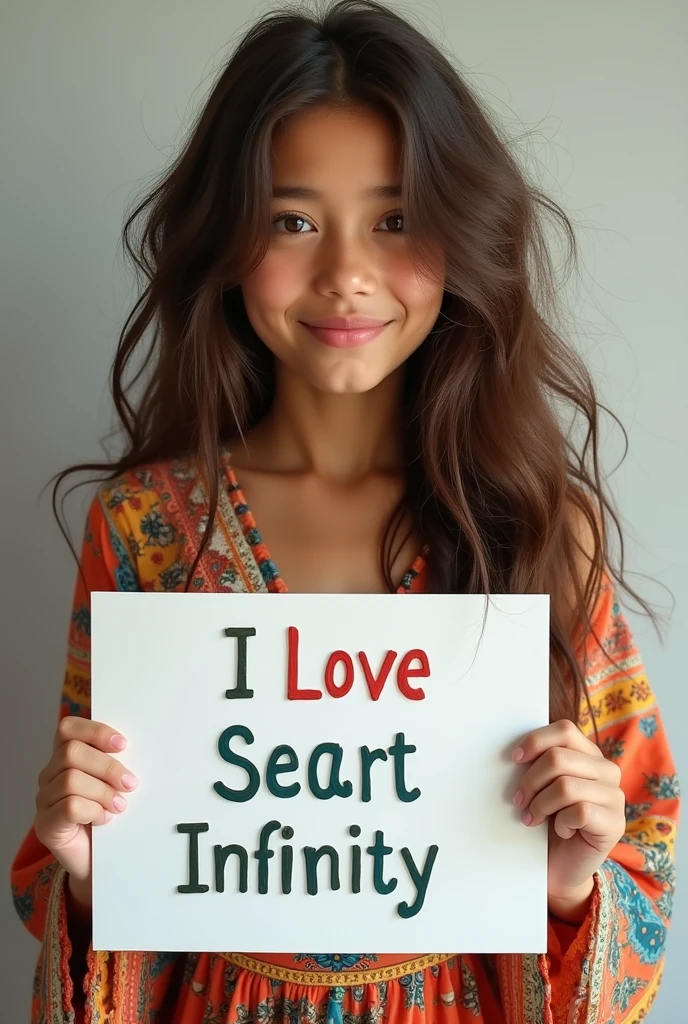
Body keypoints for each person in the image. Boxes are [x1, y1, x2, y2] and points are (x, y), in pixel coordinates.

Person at [10, 1, 679, 1022]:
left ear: (459, 232)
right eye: (292, 220)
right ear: (228, 241)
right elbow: (99, 893)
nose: (346, 273)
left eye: (395, 217)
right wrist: (90, 863)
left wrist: (571, 876)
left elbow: (646, 856)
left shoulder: (538, 528)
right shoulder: (144, 528)